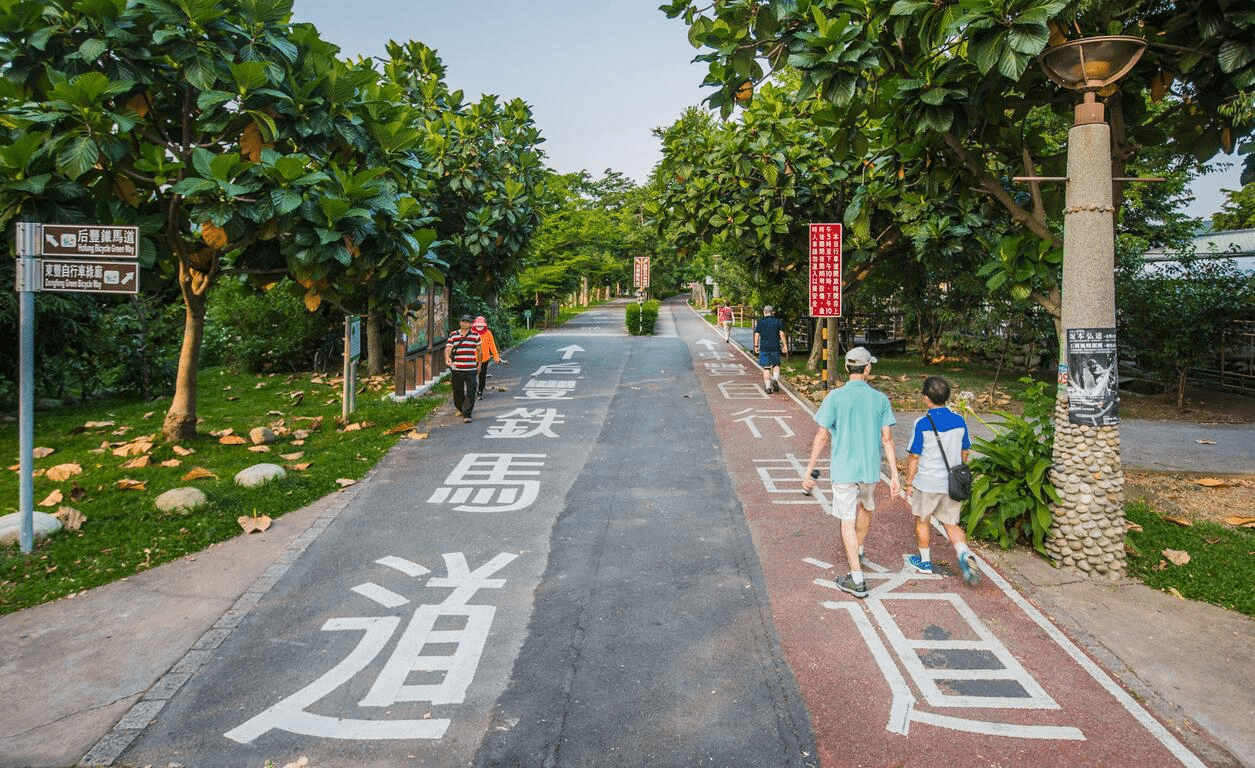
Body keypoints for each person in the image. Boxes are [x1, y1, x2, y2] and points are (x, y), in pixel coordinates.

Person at [801, 346, 901, 598]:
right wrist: (896, 476)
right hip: (870, 469)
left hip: (844, 468)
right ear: (867, 369)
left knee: (846, 520)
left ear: (847, 368)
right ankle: (859, 548)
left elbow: (822, 436)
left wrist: (809, 469)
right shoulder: (880, 399)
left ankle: (857, 579)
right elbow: (887, 439)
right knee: (866, 509)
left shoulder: (834, 397)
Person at [904, 376, 979, 585]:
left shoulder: (922, 423)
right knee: (950, 523)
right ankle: (964, 553)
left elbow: (914, 456)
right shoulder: (959, 420)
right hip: (951, 483)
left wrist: (909, 484)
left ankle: (925, 562)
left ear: (926, 399)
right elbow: (965, 452)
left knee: (922, 520)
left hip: (927, 482)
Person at [444, 314, 480, 423]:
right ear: (460, 322)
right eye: (463, 321)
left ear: (471, 324)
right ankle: (460, 407)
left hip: (471, 368)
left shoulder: (475, 335)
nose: (465, 323)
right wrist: (447, 357)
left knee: (471, 391)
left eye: (467, 322)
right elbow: (448, 348)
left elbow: (479, 351)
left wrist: (479, 365)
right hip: (457, 368)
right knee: (458, 391)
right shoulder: (453, 335)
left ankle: (467, 414)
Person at [752, 305, 787, 393]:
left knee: (766, 368)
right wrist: (785, 345)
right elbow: (781, 334)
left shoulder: (761, 321)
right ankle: (775, 379)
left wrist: (756, 346)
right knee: (776, 365)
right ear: (772, 312)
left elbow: (756, 335)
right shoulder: (777, 321)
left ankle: (768, 387)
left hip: (764, 347)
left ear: (764, 312)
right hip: (775, 347)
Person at [472, 315, 507, 399]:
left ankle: (480, 390)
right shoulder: (471, 333)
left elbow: (492, 346)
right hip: (472, 358)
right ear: (474, 325)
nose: (479, 327)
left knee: (482, 375)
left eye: (481, 325)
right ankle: (472, 390)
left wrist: (496, 356)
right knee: (472, 375)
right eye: (478, 325)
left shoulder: (488, 333)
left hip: (484, 358)